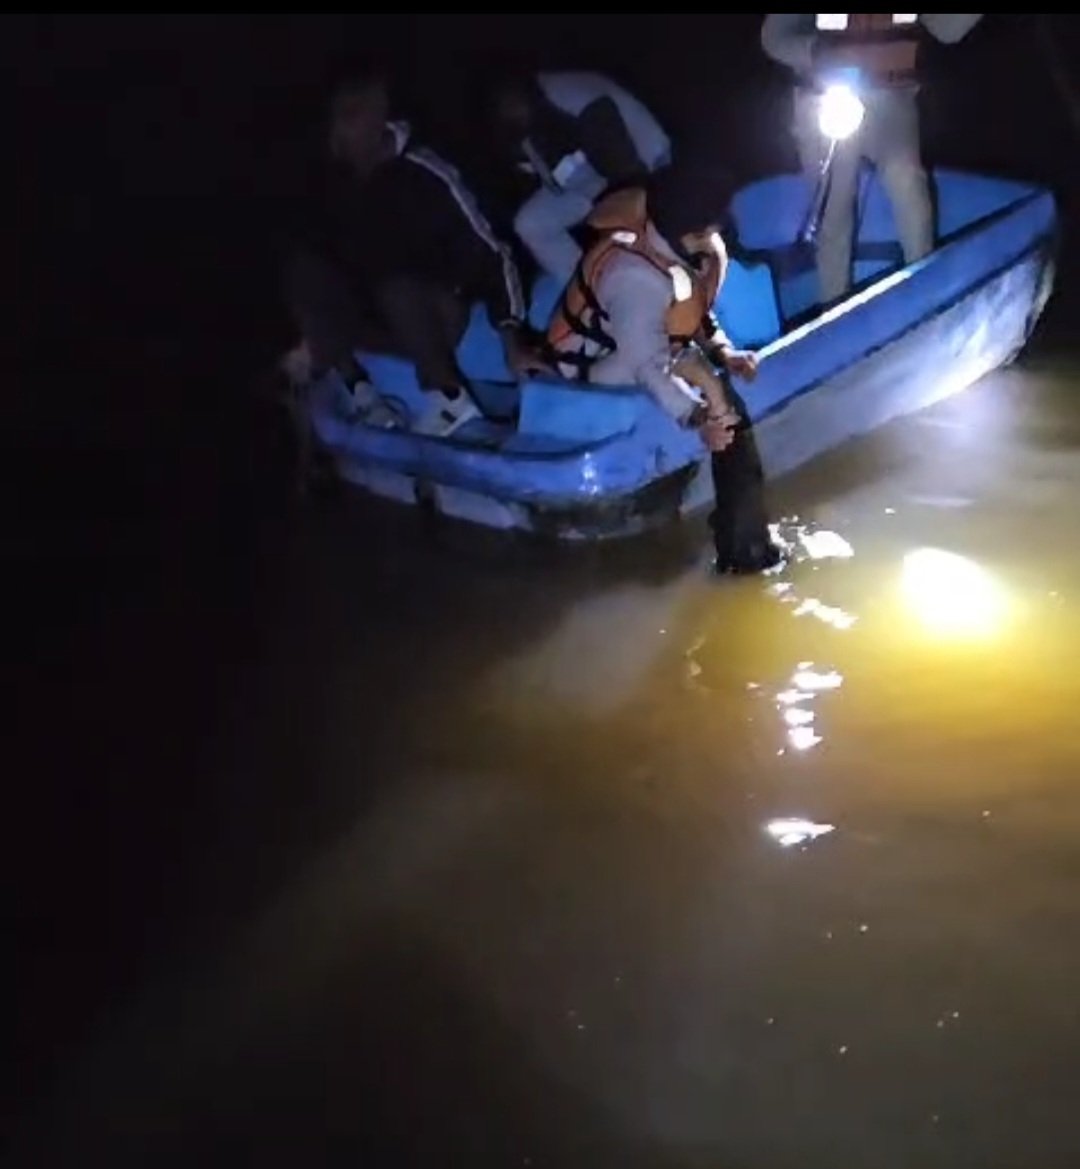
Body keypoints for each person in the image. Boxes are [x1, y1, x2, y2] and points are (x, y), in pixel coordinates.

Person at [545, 164, 783, 575]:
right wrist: (697, 417)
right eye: (705, 228)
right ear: (683, 230)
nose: (714, 232)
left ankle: (744, 543)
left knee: (710, 376)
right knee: (716, 398)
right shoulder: (633, 277)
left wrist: (725, 351)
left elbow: (691, 308)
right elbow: (647, 364)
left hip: (647, 350)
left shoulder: (679, 249)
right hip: (587, 378)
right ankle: (744, 552)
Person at [285, 70, 541, 438]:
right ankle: (363, 395)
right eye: (335, 122)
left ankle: (450, 399)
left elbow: (493, 250)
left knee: (398, 287)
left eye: (350, 117)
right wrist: (308, 337)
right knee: (305, 268)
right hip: (381, 320)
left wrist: (512, 340)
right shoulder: (338, 183)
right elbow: (329, 266)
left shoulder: (426, 170)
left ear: (378, 115)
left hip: (442, 317)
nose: (339, 135)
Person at [761, 14, 984, 304]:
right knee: (833, 211)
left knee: (907, 179)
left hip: (890, 99)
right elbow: (773, 39)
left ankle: (926, 294)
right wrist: (817, 52)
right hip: (824, 99)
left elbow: (948, 29)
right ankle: (834, 307)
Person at [487, 69, 671, 285]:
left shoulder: (566, 94)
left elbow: (623, 166)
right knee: (530, 223)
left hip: (646, 161)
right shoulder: (519, 127)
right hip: (593, 177)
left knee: (628, 227)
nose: (507, 108)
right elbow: (549, 180)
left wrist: (609, 222)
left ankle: (652, 273)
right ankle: (589, 287)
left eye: (509, 100)